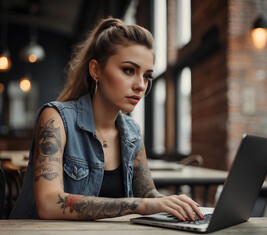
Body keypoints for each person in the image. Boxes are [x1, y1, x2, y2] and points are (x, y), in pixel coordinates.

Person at [10, 17, 204, 221]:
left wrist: (172, 203)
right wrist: (138, 205)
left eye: (147, 76)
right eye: (129, 70)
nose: (140, 85)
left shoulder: (132, 132)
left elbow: (147, 194)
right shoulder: (56, 118)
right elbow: (48, 203)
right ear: (96, 70)